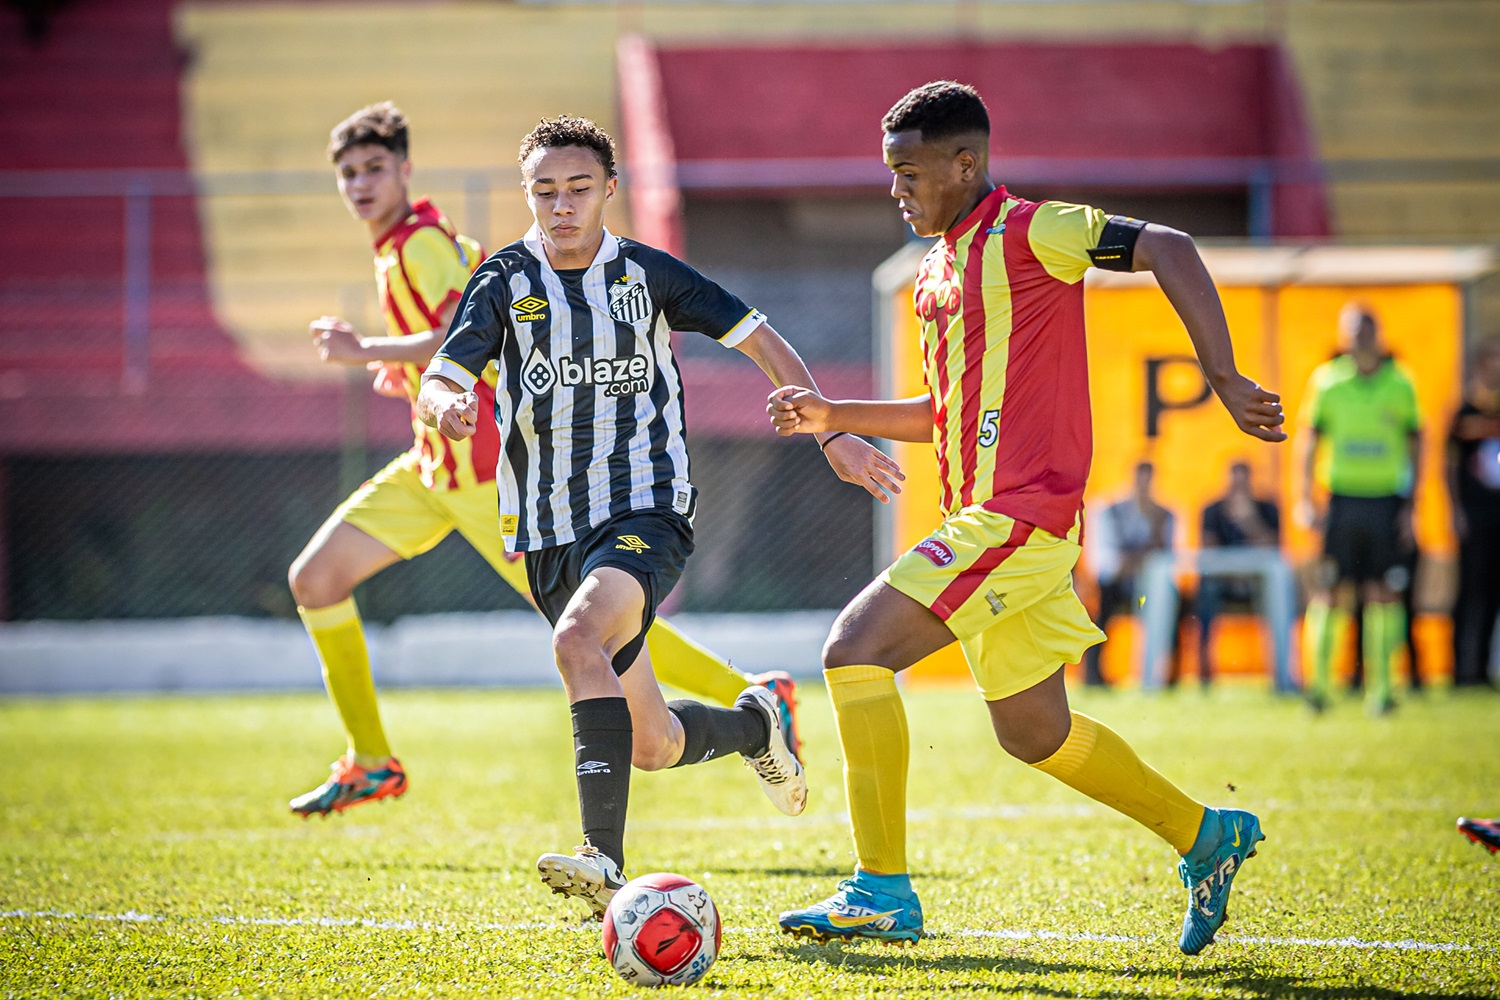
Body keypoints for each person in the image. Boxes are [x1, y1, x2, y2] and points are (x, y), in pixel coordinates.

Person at [768, 81, 1284, 955]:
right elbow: (950, 412)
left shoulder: (1032, 229)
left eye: (910, 173)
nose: (897, 191)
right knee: (1033, 733)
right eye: (891, 174)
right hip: (990, 520)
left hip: (1016, 519)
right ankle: (1206, 835)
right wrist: (836, 414)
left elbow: (1169, 244)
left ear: (966, 165)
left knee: (853, 650)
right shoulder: (939, 266)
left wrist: (1223, 375)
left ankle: (881, 890)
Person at [416, 115, 904, 918]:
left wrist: (834, 434)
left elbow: (760, 340)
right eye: (545, 192)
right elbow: (445, 373)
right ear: (527, 196)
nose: (562, 206)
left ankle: (601, 860)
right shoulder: (504, 281)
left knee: (577, 638)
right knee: (651, 745)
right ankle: (757, 725)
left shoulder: (646, 276)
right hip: (546, 531)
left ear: (610, 190)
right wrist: (446, 405)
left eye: (579, 189)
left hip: (646, 505)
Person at [286, 103, 804, 820]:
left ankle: (754, 693)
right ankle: (371, 760)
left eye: (375, 168)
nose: (361, 184)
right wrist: (419, 382)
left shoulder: (417, 245)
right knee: (315, 580)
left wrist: (366, 351)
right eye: (347, 173)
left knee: (594, 626)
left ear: (405, 170)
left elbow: (451, 330)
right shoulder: (400, 250)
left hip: (487, 469)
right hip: (430, 462)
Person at [1296, 304, 1421, 715]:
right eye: (1354, 333)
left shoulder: (1400, 383)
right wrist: (1304, 497)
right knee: (1330, 592)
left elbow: (1417, 442)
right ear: (1344, 337)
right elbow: (1308, 441)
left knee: (1383, 594)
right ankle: (1317, 689)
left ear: (1378, 336)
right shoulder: (1328, 382)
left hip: (1385, 502)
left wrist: (1410, 505)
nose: (1361, 340)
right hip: (1341, 500)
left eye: (1367, 332)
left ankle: (1382, 693)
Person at [1082, 461, 1179, 686]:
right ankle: (1094, 672)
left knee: (1171, 604)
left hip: (1149, 587)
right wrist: (1133, 563)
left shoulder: (1164, 514)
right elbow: (1104, 559)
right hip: (1117, 583)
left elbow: (1169, 556)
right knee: (1102, 606)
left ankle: (1167, 673)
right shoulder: (1110, 510)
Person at [1197, 461, 1281, 685]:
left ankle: (1281, 670)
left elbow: (1275, 549)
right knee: (1206, 592)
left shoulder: (1267, 508)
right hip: (1223, 581)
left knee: (1277, 595)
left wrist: (1249, 522)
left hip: (1256, 581)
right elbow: (1208, 552)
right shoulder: (1212, 510)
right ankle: (1204, 668)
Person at [1447, 336, 1500, 687]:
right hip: (1476, 518)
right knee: (1470, 594)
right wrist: (1456, 511)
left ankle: (1486, 669)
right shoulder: (1465, 411)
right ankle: (1464, 672)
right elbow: (1449, 467)